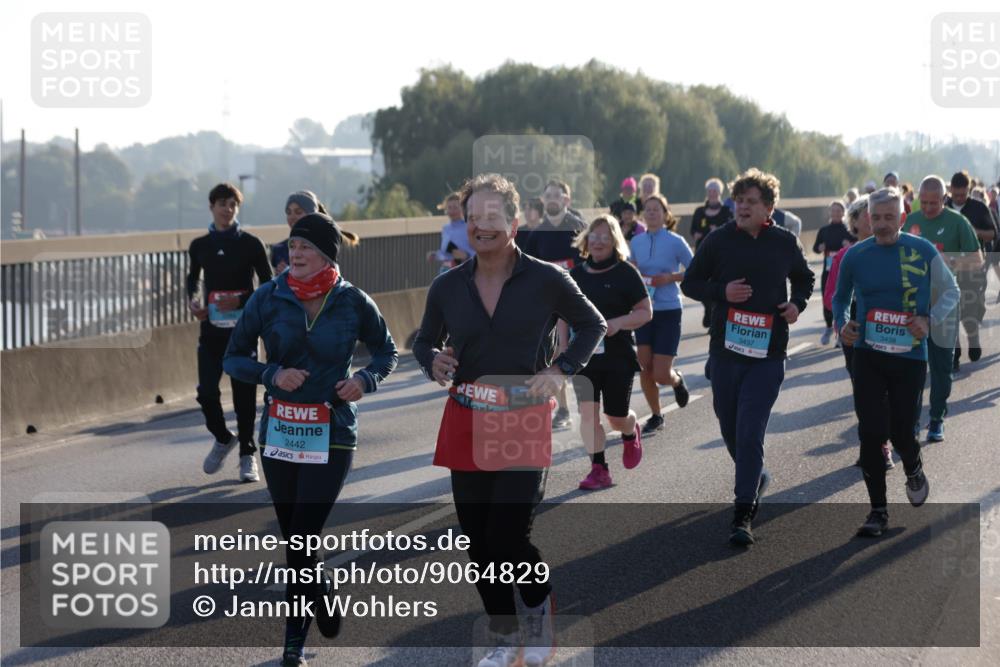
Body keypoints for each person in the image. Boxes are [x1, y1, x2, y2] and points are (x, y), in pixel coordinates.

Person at [413, 173, 605, 667]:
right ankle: (503, 638)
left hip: (522, 418)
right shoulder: (448, 286)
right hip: (467, 419)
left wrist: (561, 369)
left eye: (492, 216)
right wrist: (433, 360)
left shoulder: (546, 279)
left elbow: (592, 324)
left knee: (508, 536)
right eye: (473, 217)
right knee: (478, 543)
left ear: (515, 222)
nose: (482, 225)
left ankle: (538, 608)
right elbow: (423, 340)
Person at [224, 212, 397, 666]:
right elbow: (233, 358)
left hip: (332, 431)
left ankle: (292, 646)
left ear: (326, 255)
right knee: (298, 542)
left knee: (302, 538)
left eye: (306, 247)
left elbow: (387, 351)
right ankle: (321, 591)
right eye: (293, 245)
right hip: (280, 432)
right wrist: (271, 373)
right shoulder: (268, 297)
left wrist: (364, 380)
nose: (295, 253)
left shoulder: (353, 301)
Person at [681, 168, 814, 546]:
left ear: (768, 207)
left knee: (750, 429)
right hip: (725, 351)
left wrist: (797, 304)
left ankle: (743, 513)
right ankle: (754, 476)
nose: (742, 207)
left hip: (768, 354)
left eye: (751, 202)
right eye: (738, 201)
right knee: (730, 427)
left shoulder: (784, 242)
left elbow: (804, 278)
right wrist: (722, 292)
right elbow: (690, 282)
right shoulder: (718, 240)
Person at [832, 187, 959, 537]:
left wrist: (929, 320)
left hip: (909, 356)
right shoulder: (855, 255)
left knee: (902, 431)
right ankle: (878, 511)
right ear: (867, 218)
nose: (883, 224)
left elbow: (952, 291)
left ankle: (913, 466)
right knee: (870, 432)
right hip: (868, 353)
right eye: (876, 218)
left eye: (890, 217)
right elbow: (840, 298)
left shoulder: (922, 250)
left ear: (902, 218)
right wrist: (843, 323)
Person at [187, 182, 272, 483]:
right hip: (211, 331)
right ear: (212, 207)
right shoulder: (199, 246)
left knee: (244, 395)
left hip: (243, 331)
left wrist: (242, 301)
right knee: (206, 392)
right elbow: (193, 279)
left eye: (233, 204)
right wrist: (193, 301)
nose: (228, 209)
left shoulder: (251, 244)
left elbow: (268, 284)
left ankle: (247, 453)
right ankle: (223, 437)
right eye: (222, 204)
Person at [569, 215, 652, 489]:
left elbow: (645, 312)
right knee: (588, 415)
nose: (598, 241)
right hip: (584, 357)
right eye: (594, 236)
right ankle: (599, 469)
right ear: (586, 240)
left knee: (616, 418)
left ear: (615, 241)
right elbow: (561, 315)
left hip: (618, 356)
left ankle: (630, 430)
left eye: (605, 237)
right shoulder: (575, 276)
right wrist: (561, 349)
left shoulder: (625, 273)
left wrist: (617, 323)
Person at [906, 175, 984, 442]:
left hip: (946, 304)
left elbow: (977, 260)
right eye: (925, 202)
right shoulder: (910, 221)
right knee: (912, 368)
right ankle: (912, 422)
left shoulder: (957, 222)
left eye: (934, 203)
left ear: (944, 199)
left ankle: (937, 418)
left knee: (941, 368)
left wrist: (948, 260)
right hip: (913, 305)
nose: (929, 208)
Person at [824, 195, 894, 471]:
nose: (872, 219)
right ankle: (875, 446)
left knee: (887, 391)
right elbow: (831, 297)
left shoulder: (896, 251)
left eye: (876, 214)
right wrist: (842, 324)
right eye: (867, 214)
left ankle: (888, 440)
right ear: (854, 223)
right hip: (854, 332)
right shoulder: (844, 256)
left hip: (889, 329)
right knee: (864, 392)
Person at [524, 179, 588, 431]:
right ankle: (563, 409)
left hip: (579, 302)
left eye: (556, 195)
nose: (552, 199)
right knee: (554, 357)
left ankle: (590, 403)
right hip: (549, 306)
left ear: (566, 200)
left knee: (584, 354)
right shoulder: (537, 234)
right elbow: (527, 270)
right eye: (548, 195)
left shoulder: (579, 228)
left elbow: (593, 262)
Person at [630, 193, 694, 435]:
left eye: (656, 209)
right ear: (643, 215)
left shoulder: (676, 241)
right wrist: (633, 272)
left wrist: (670, 277)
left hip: (669, 310)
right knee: (644, 366)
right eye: (648, 209)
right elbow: (630, 269)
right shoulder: (636, 241)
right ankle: (656, 415)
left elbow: (695, 269)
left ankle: (676, 380)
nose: (651, 213)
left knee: (661, 373)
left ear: (666, 214)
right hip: (643, 310)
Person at [944, 170, 997, 366]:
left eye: (963, 194)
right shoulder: (942, 207)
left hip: (973, 267)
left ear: (968, 190)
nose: (959, 198)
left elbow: (992, 234)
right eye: (956, 194)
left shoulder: (979, 207)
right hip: (948, 268)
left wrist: (975, 231)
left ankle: (973, 338)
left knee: (970, 311)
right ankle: (954, 353)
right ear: (950, 190)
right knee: (950, 311)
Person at [813, 200, 856, 344]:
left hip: (844, 271)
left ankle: (841, 330)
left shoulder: (849, 230)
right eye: (833, 211)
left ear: (843, 213)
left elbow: (858, 245)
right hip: (828, 269)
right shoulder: (824, 230)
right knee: (827, 299)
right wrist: (819, 248)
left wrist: (850, 245)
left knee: (843, 299)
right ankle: (828, 327)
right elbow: (815, 248)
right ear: (829, 213)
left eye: (839, 211)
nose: (836, 213)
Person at [271, 190, 325, 274]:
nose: (292, 217)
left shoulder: (325, 246)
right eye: (289, 212)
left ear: (311, 215)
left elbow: (331, 278)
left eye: (298, 212)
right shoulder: (279, 249)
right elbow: (275, 280)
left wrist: (292, 273)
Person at [427, 192, 476, 273]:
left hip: (465, 270)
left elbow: (480, 252)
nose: (452, 211)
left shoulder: (469, 227)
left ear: (463, 208)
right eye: (449, 208)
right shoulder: (446, 229)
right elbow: (446, 253)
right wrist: (435, 255)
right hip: (447, 270)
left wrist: (466, 255)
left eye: (455, 207)